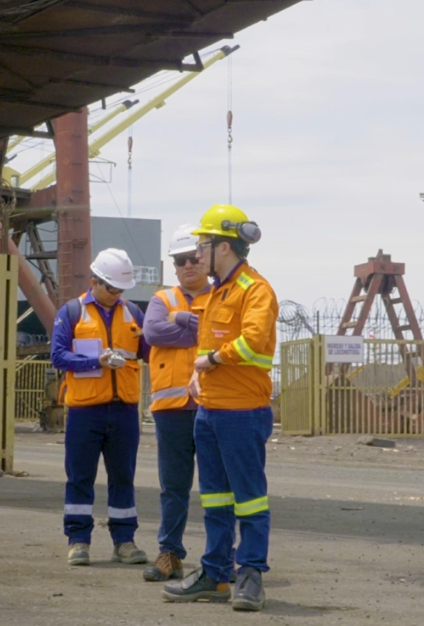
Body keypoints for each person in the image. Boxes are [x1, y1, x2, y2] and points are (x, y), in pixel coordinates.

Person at [163, 204, 275, 611]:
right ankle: (215, 574)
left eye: (203, 245)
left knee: (249, 499)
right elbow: (209, 344)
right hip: (210, 410)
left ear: (224, 247)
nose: (196, 255)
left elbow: (253, 341)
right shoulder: (218, 292)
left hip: (242, 411)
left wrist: (212, 360)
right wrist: (201, 373)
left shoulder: (254, 289)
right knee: (215, 499)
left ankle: (250, 575)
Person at [51, 248, 150, 567]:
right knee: (80, 476)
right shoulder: (71, 312)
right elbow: (58, 356)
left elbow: (149, 351)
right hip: (85, 411)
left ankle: (125, 542)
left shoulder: (134, 313)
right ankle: (78, 541)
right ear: (94, 282)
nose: (117, 294)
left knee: (123, 477)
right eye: (112, 288)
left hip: (124, 411)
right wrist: (96, 361)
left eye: (121, 289)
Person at [139, 225, 213, 581]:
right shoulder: (162, 299)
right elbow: (153, 333)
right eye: (180, 260)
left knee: (218, 487)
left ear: (205, 260)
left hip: (214, 404)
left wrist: (180, 323)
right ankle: (169, 552)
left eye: (193, 259)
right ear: (173, 265)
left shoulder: (222, 296)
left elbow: (225, 335)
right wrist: (194, 326)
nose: (188, 265)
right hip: (172, 410)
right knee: (173, 487)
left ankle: (220, 557)